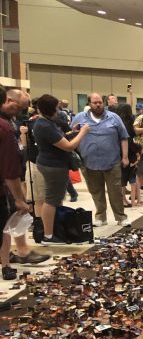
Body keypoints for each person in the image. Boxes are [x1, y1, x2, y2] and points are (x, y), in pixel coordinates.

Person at [33, 94, 90, 244]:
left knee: (56, 199)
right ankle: (48, 235)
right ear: (51, 109)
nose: (58, 111)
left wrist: (73, 132)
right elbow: (69, 146)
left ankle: (55, 229)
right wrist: (83, 133)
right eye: (56, 108)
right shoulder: (44, 125)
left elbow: (59, 138)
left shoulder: (47, 122)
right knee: (52, 200)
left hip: (53, 164)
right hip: (53, 166)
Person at [71, 93, 129, 227]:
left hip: (112, 162)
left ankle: (121, 217)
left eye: (100, 102)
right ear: (89, 104)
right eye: (95, 103)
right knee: (96, 192)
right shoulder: (80, 118)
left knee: (115, 192)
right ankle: (101, 217)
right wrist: (74, 132)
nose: (98, 105)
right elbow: (71, 136)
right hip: (89, 163)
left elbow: (124, 137)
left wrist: (125, 157)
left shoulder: (114, 117)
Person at [0, 85, 32, 280]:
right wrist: (19, 198)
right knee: (4, 226)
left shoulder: (10, 122)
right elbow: (9, 170)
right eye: (19, 107)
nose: (20, 111)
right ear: (7, 100)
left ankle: (6, 263)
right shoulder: (4, 127)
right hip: (4, 187)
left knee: (4, 226)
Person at [116, 104, 142, 208]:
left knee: (123, 177)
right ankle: (122, 199)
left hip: (119, 152)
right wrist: (138, 148)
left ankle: (123, 199)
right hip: (127, 153)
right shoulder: (126, 124)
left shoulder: (117, 123)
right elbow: (128, 141)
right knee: (124, 178)